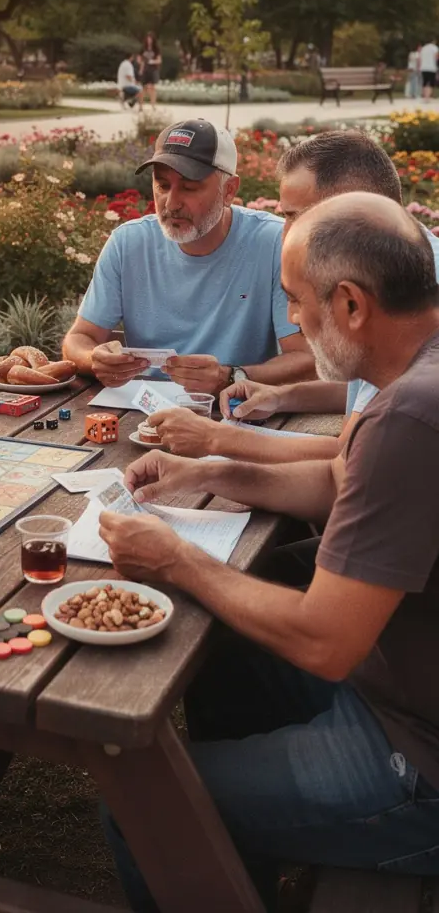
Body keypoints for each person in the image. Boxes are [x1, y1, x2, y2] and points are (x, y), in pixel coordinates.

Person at [100, 193, 439, 911]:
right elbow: (345, 480)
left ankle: (235, 841)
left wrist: (175, 559)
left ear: (350, 304)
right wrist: (216, 473)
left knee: (144, 803)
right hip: (400, 686)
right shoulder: (414, 378)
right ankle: (247, 860)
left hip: (418, 757)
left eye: (296, 301)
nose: (291, 320)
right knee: (221, 661)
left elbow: (325, 642)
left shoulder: (409, 414)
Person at [148, 129, 439, 464]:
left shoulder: (401, 287)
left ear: (355, 206)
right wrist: (281, 396)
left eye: (294, 216)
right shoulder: (408, 253)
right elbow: (366, 388)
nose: (286, 234)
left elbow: (347, 460)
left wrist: (216, 438)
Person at [62, 118, 313, 395]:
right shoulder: (127, 242)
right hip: (140, 412)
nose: (171, 203)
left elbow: (305, 358)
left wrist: (231, 377)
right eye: (162, 185)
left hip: (233, 410)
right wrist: (94, 359)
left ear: (229, 190)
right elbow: (78, 338)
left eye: (189, 187)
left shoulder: (273, 242)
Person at [137, 32, 161, 111]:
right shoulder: (143, 48)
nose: (149, 41)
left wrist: (153, 61)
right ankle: (140, 106)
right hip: (144, 69)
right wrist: (141, 64)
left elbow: (159, 60)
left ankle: (153, 105)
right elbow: (138, 58)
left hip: (152, 69)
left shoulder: (156, 49)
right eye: (148, 39)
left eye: (150, 39)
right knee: (143, 88)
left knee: (152, 88)